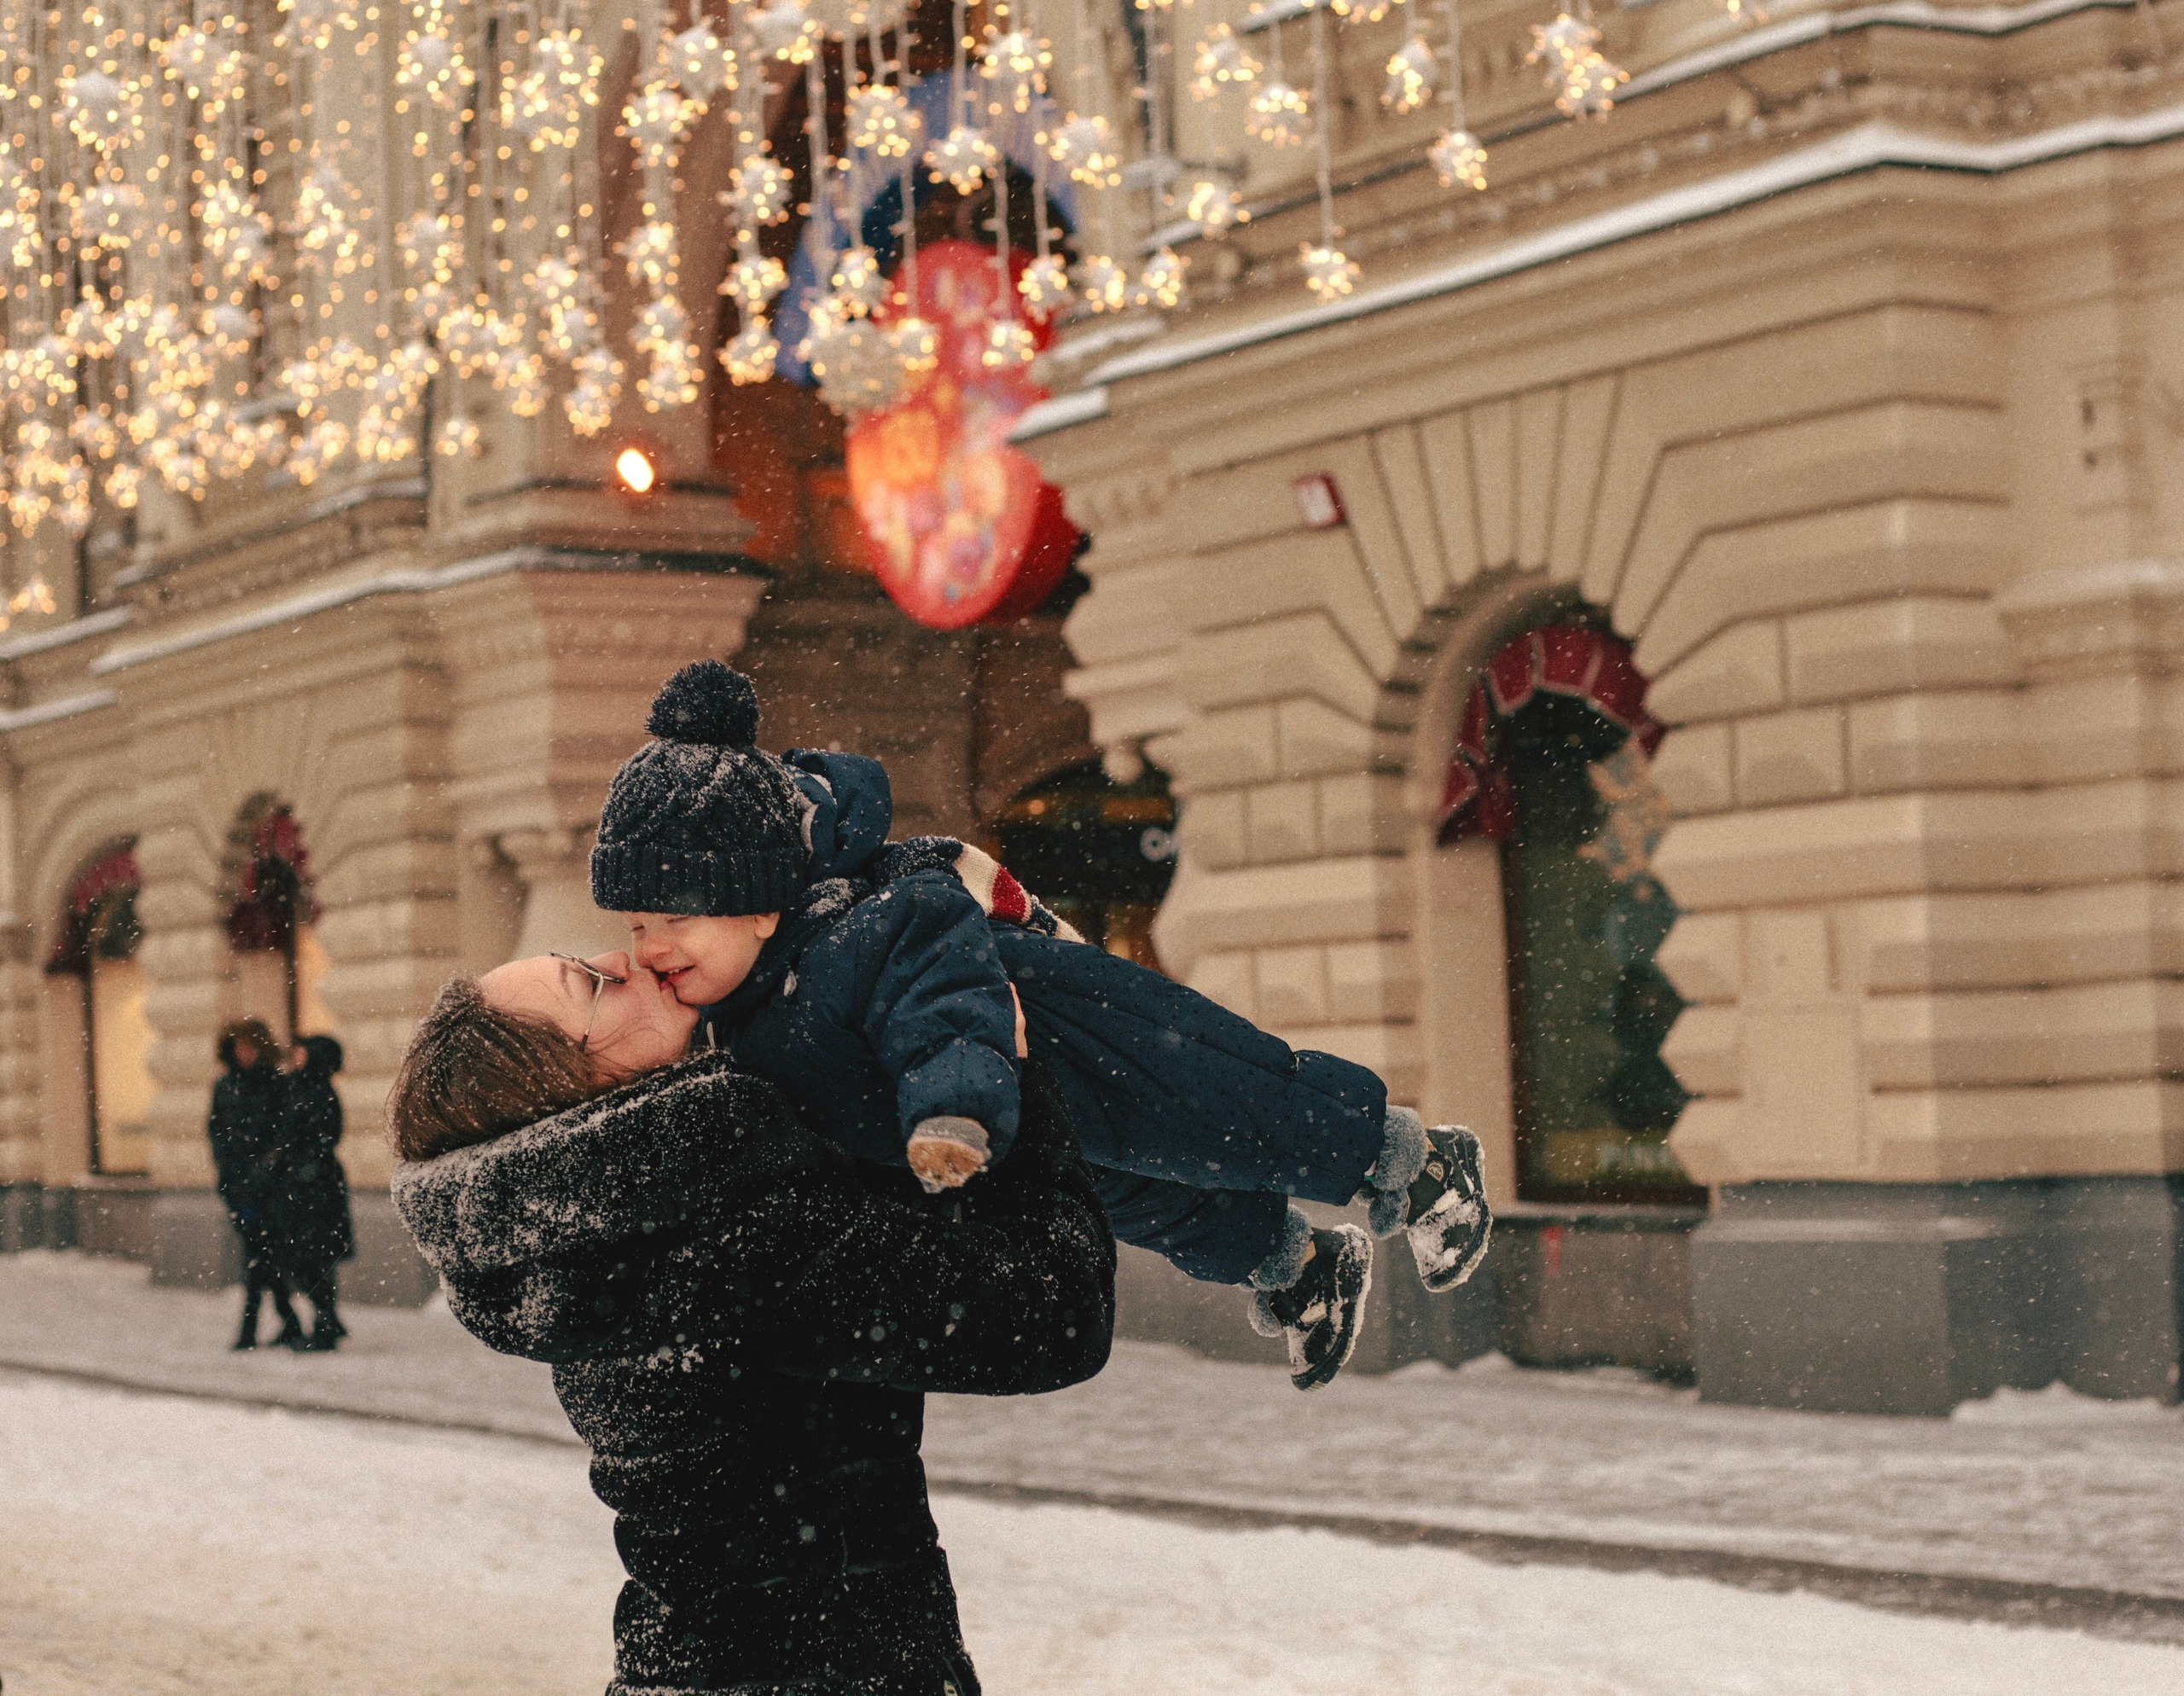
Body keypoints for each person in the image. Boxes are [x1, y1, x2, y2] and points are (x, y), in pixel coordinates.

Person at [591, 660, 1493, 1391]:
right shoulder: (741, 1009)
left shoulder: (869, 927)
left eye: (673, 918)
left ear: (754, 905)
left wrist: (950, 1112)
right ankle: (1296, 1266)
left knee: (1225, 1103)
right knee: (1141, 1196)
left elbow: (939, 1017)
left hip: (1063, 1037)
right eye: (635, 925)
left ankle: (1411, 1159)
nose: (650, 945)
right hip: (1020, 1121)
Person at [389, 950, 1113, 1696]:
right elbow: (1057, 1311)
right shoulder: (722, 1241)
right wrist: (1010, 1079)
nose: (623, 956)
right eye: (590, 981)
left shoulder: (601, 1239)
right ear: (583, 1081)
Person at [206, 1018, 305, 1351]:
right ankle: (288, 1322)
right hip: (239, 1188)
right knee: (264, 1257)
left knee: (259, 1257)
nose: (244, 1053)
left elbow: (284, 1133)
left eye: (249, 1047)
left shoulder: (275, 1085)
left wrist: (268, 1166)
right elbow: (217, 1134)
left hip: (271, 1188)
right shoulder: (225, 1086)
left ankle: (251, 1329)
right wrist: (231, 1174)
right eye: (238, 1047)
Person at [277, 1034, 353, 1351]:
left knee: (315, 1259)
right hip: (302, 1188)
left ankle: (325, 1322)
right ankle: (328, 1319)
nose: (296, 1056)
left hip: (316, 1189)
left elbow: (326, 1137)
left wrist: (302, 1165)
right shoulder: (296, 1089)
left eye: (302, 1052)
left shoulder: (320, 1092)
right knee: (305, 1259)